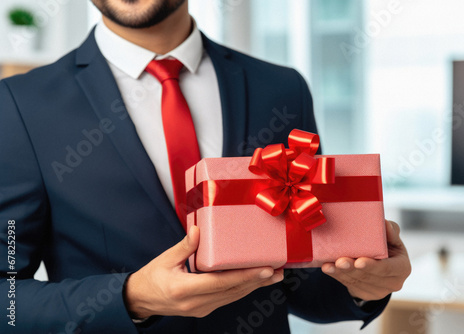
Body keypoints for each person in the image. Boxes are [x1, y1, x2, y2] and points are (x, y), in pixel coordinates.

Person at [0, 0, 411, 333]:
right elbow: (9, 303)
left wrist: (365, 287)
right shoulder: (20, 105)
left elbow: (301, 283)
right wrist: (130, 297)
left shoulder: (281, 88)